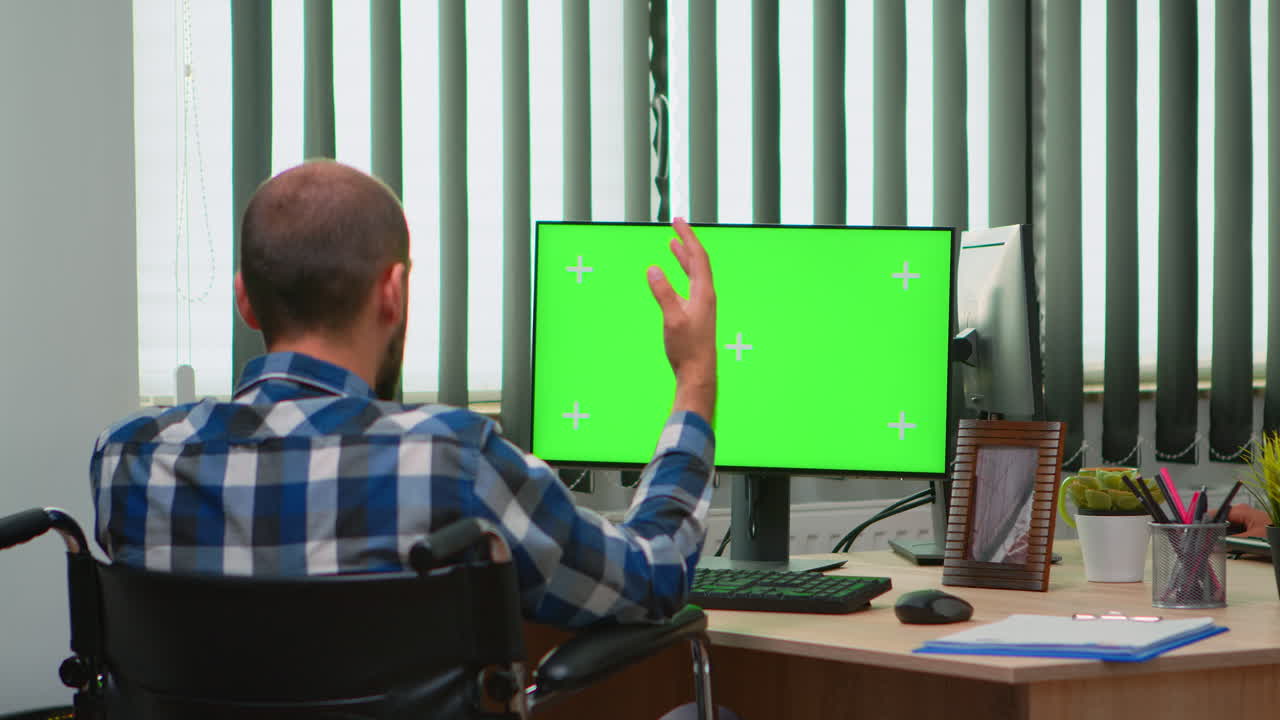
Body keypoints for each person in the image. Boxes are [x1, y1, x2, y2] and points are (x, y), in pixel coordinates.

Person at [90, 160, 718, 629]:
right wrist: (694, 381)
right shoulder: (452, 461)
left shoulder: (128, 461)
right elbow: (652, 577)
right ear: (393, 291)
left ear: (245, 299)